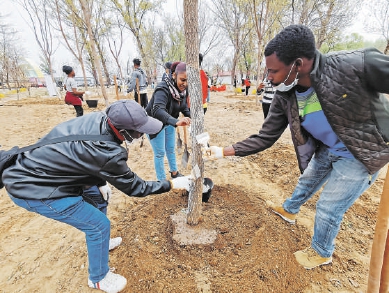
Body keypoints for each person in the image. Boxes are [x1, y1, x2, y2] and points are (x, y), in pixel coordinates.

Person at [204, 24, 389, 270]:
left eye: (273, 71)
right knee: (308, 179)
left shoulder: (353, 65)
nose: (268, 77)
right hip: (330, 148)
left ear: (298, 64)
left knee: (328, 206)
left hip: (360, 154)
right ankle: (290, 210)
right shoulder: (286, 93)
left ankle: (322, 251)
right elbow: (266, 136)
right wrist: (224, 151)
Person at [2, 100, 193, 293]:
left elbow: (85, 157)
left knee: (100, 199)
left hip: (50, 170)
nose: (142, 134)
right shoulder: (108, 152)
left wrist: (100, 182)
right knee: (98, 225)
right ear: (124, 131)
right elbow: (136, 187)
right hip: (34, 187)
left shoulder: (100, 119)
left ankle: (101, 242)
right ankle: (98, 278)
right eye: (139, 131)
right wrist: (172, 184)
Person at [146, 62, 191, 181]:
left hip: (169, 122)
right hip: (154, 123)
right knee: (160, 153)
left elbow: (184, 107)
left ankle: (174, 173)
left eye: (187, 80)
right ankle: (161, 180)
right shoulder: (163, 88)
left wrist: (191, 116)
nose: (185, 84)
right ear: (174, 75)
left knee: (170, 149)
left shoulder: (182, 91)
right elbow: (157, 110)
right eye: (182, 79)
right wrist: (176, 122)